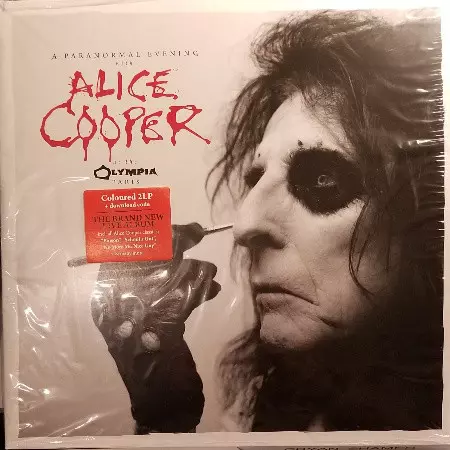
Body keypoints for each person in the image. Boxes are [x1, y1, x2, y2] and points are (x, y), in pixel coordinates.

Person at [90, 10, 444, 433]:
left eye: (322, 179)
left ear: (428, 211)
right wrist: (163, 420)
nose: (245, 227)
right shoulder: (264, 407)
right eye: (256, 180)